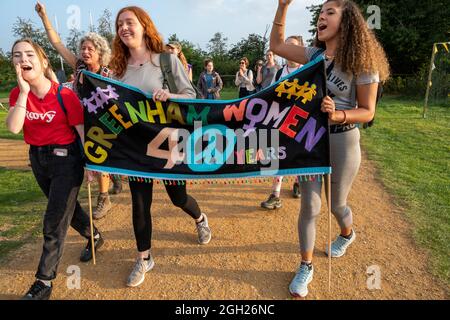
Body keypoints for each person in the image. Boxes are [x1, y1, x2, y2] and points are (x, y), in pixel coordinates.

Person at [270, 0, 390, 298]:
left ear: (347, 21)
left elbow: (368, 111)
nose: (321, 17)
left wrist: (339, 114)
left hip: (343, 138)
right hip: (311, 139)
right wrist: (283, 6)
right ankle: (305, 265)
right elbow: (276, 45)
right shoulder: (314, 55)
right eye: (320, 13)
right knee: (310, 206)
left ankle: (347, 234)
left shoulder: (363, 62)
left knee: (337, 205)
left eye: (329, 13)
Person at [109, 6, 212, 288]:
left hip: (168, 144)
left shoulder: (166, 60)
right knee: (140, 205)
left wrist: (171, 95)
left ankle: (200, 218)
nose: (124, 28)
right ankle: (144, 258)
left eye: (130, 22)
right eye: (120, 24)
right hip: (135, 150)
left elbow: (192, 96)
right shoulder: (118, 70)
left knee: (178, 198)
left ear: (144, 26)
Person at [6, 39, 103, 300]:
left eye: (28, 54)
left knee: (53, 220)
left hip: (67, 160)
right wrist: (24, 92)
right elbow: (14, 128)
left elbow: (82, 132)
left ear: (43, 61)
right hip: (38, 158)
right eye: (17, 56)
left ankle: (44, 282)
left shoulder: (65, 95)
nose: (23, 59)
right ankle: (93, 234)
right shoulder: (18, 94)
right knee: (65, 210)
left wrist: (91, 164)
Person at [36, 1, 122, 220]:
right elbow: (56, 43)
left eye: (89, 49)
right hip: (77, 120)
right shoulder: (78, 67)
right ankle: (104, 181)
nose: (84, 52)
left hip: (102, 122)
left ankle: (104, 197)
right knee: (79, 157)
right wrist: (44, 17)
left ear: (99, 52)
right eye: (83, 48)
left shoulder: (108, 73)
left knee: (99, 158)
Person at [260, 35, 304, 210]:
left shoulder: (308, 69)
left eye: (293, 46)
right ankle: (275, 194)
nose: (289, 49)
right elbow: (273, 95)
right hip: (283, 120)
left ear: (301, 48)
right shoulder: (280, 72)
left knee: (300, 155)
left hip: (303, 121)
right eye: (286, 46)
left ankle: (298, 182)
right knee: (279, 155)